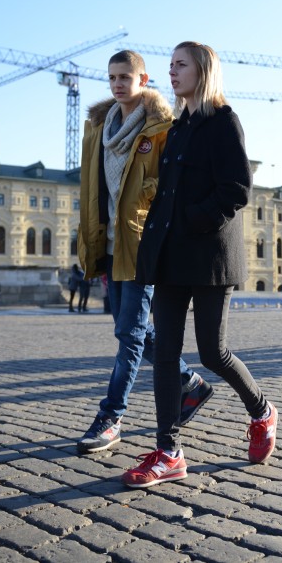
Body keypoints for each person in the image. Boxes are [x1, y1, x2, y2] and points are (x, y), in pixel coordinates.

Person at [125, 42, 277, 488]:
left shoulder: (223, 121)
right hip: (172, 256)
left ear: (203, 69)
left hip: (209, 255)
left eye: (180, 65)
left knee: (212, 352)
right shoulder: (177, 127)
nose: (171, 72)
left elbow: (236, 189)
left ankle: (262, 411)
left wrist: (192, 220)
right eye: (169, 65)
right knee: (166, 354)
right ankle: (169, 451)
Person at [76, 49, 211, 456]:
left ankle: (111, 416)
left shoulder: (161, 128)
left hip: (142, 245)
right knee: (130, 327)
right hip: (110, 245)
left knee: (129, 335)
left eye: (124, 77)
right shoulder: (98, 129)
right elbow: (94, 189)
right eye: (112, 77)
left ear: (143, 79)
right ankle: (190, 383)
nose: (117, 84)